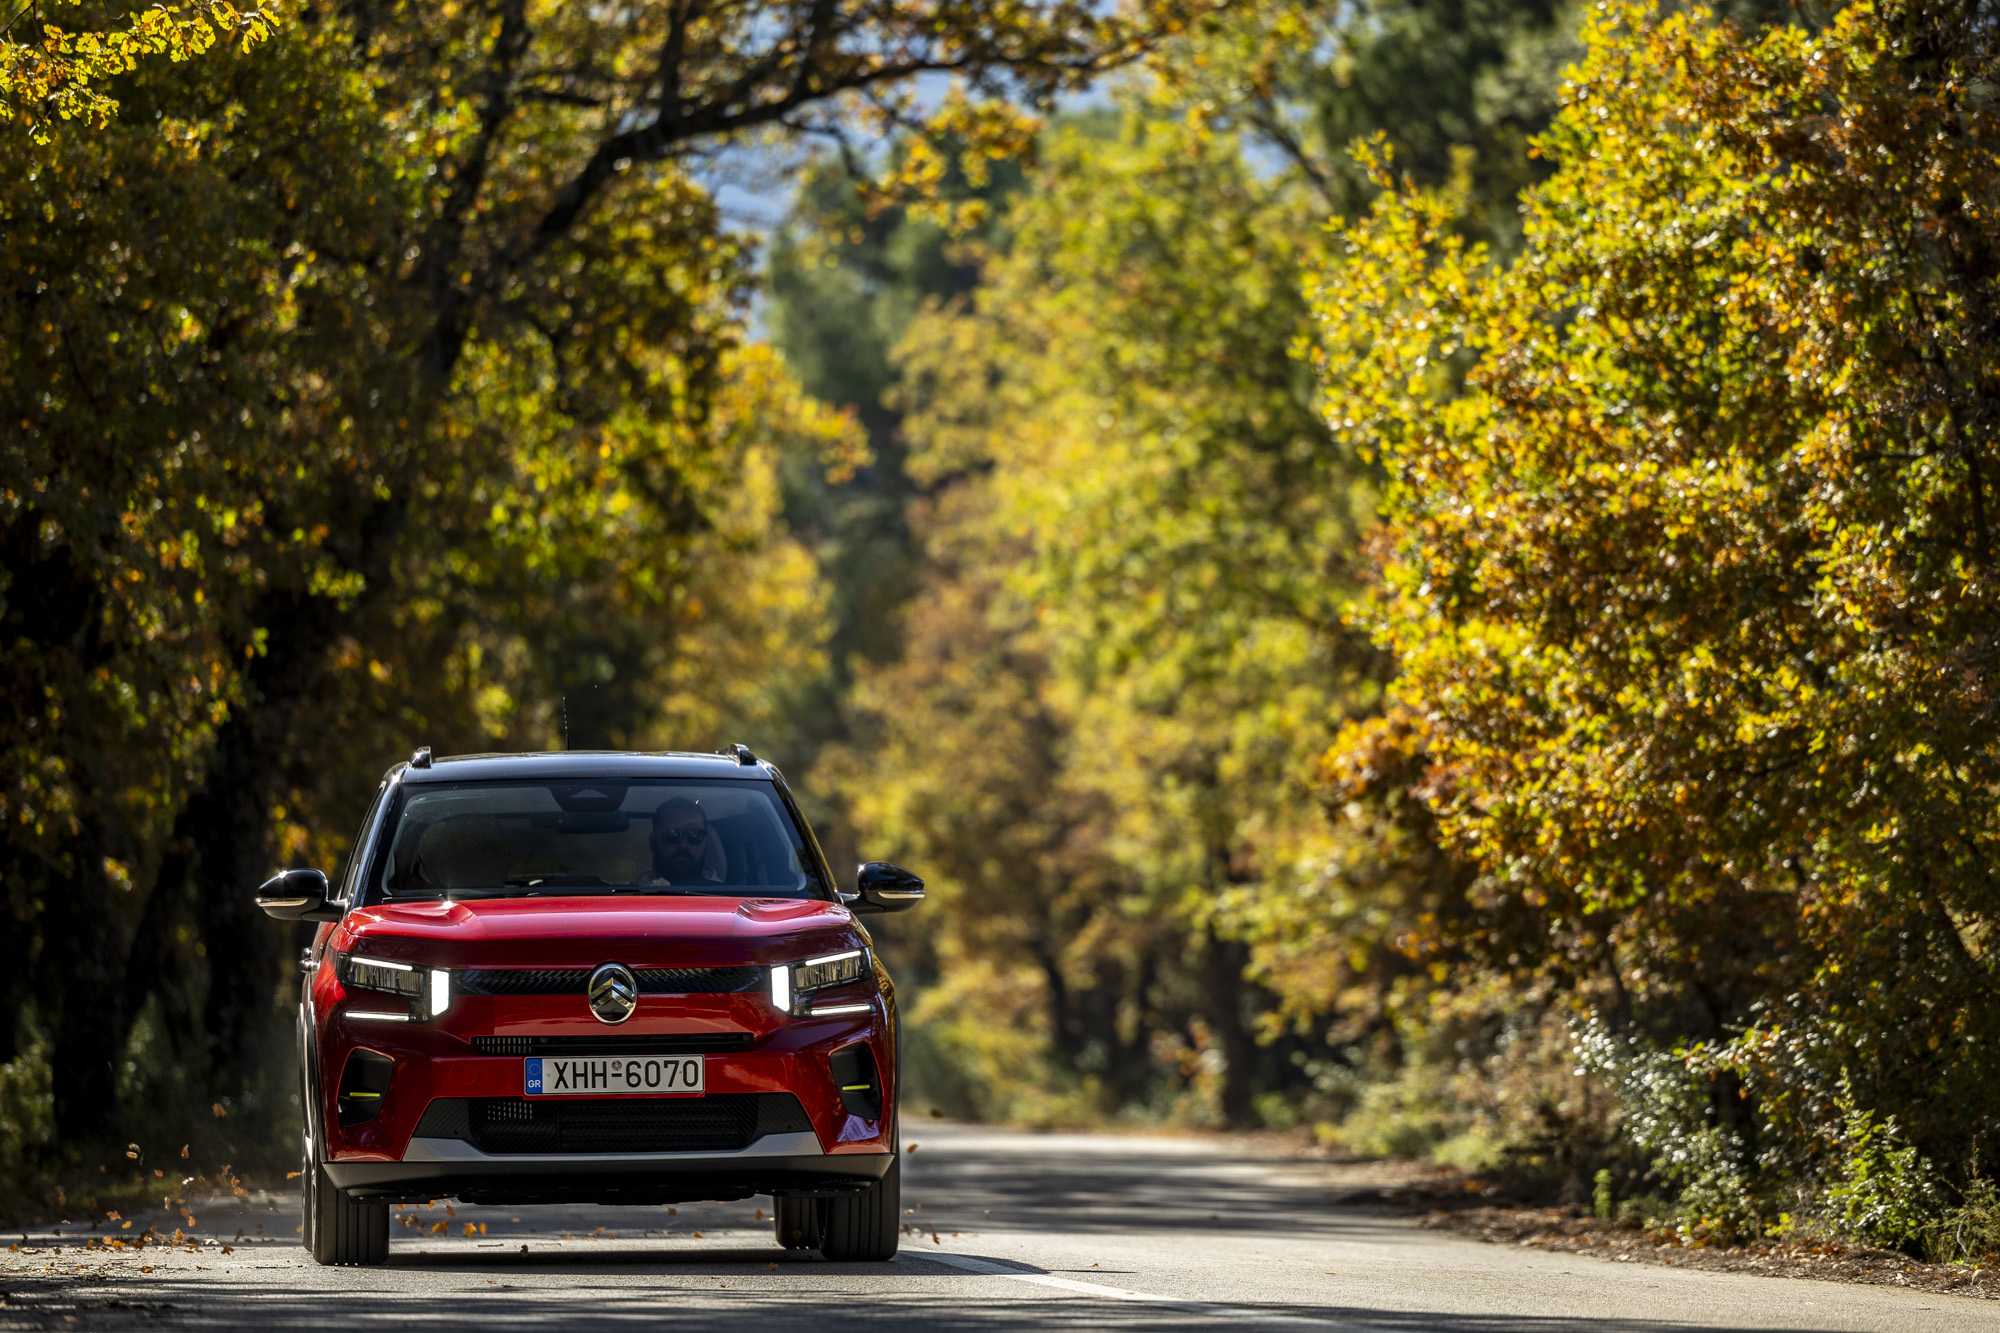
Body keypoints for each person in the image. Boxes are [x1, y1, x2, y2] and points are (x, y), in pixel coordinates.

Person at [650, 795, 723, 886]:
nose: (683, 844)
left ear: (705, 843)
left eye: (694, 835)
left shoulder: (730, 896)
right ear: (653, 842)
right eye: (672, 835)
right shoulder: (633, 894)